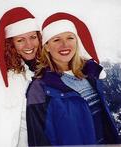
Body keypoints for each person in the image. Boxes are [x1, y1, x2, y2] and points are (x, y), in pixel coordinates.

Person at [26, 12, 120, 146]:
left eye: (70, 38)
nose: (65, 45)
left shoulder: (90, 74)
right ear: (46, 46)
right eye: (56, 39)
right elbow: (38, 139)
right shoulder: (39, 88)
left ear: (77, 41)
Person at [0, 7, 41, 147]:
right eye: (20, 40)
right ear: (11, 44)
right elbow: (1, 131)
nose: (29, 45)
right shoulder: (4, 78)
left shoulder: (42, 69)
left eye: (33, 37)